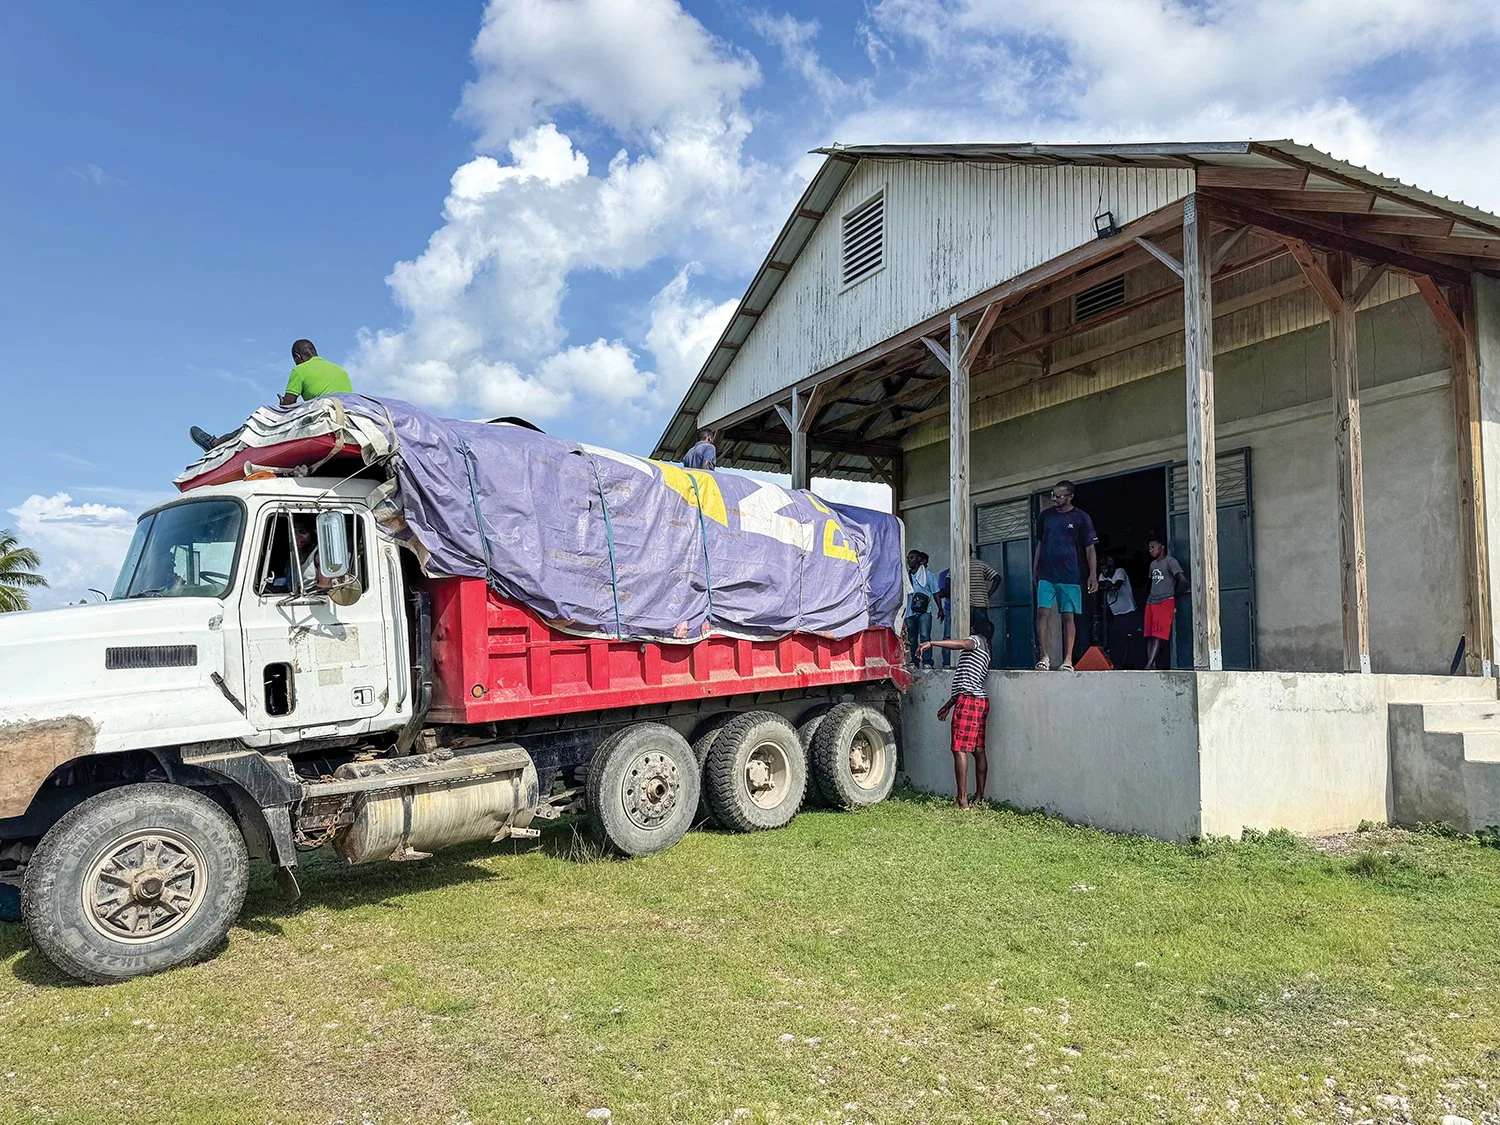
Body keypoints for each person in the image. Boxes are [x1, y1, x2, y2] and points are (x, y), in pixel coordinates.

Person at [191, 339, 353, 451]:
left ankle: (216, 443)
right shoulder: (340, 370)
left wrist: (283, 402)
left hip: (323, 420)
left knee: (260, 419)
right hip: (349, 422)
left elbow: (288, 406)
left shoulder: (300, 370)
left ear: (297, 357)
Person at [920, 615, 994, 810]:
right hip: (979, 700)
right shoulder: (987, 650)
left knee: (959, 748)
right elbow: (966, 681)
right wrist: (948, 705)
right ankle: (979, 797)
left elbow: (962, 644)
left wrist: (932, 643)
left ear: (975, 629)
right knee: (978, 750)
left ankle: (962, 800)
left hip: (968, 701)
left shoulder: (976, 641)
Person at [1033, 480, 1098, 672]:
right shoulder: (1045, 516)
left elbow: (1090, 548)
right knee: (1042, 612)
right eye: (1053, 494)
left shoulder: (1081, 517)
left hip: (1070, 575)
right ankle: (1044, 656)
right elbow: (1040, 543)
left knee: (1068, 616)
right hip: (1046, 574)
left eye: (1059, 496)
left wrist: (1093, 575)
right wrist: (1035, 568)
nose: (1054, 498)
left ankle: (1068, 660)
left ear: (1070, 497)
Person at [1144, 537, 1187, 669]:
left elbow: (1183, 580)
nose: (1151, 550)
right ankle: (1152, 665)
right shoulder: (1153, 564)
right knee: (1149, 634)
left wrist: (1174, 595)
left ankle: (1148, 665)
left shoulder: (1170, 562)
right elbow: (1152, 583)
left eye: (1153, 547)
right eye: (1149, 548)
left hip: (1165, 601)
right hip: (1151, 601)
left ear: (1161, 547)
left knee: (1158, 634)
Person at [1102, 553, 1140, 669]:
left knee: (1129, 638)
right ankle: (1117, 664)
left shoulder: (1120, 572)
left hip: (1128, 611)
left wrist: (1111, 585)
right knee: (1115, 639)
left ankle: (1133, 664)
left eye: (1106, 567)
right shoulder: (1102, 576)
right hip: (1116, 614)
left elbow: (1118, 584)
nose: (1104, 570)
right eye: (1102, 568)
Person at [905, 550, 942, 668]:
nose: (909, 560)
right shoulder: (905, 576)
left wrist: (940, 609)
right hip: (909, 612)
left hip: (925, 612)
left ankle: (927, 662)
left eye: (912, 557)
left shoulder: (928, 575)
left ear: (919, 559)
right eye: (908, 558)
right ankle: (914, 662)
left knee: (925, 637)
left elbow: (936, 593)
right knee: (911, 639)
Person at [968, 545, 1000, 633]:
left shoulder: (957, 566)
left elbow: (948, 581)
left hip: (964, 605)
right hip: (980, 604)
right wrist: (988, 594)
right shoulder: (981, 564)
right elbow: (997, 578)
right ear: (971, 552)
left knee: (964, 634)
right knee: (982, 634)